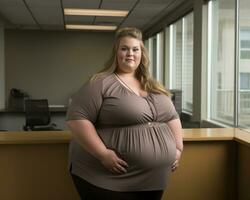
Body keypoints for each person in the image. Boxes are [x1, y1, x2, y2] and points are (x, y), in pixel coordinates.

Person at [66, 27, 183, 200]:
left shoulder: (154, 86)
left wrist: (178, 149)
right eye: (124, 48)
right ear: (116, 53)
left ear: (141, 54)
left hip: (154, 180)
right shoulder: (100, 83)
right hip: (107, 177)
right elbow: (77, 119)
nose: (130, 53)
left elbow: (172, 117)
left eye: (135, 49)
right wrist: (103, 154)